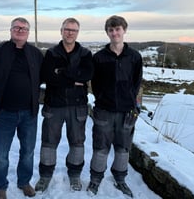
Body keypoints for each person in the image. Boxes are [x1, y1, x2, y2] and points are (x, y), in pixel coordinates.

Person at [0, 17, 43, 199]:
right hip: (3, 112)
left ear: (28, 32)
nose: (20, 30)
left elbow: (42, 76)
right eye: (17, 27)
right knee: (1, 155)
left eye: (24, 28)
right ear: (11, 30)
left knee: (28, 152)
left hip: (29, 113)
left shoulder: (35, 53)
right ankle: (1, 186)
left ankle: (24, 182)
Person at [35, 17, 93, 193]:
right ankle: (45, 176)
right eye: (67, 29)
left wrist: (61, 72)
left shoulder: (85, 54)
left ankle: (74, 175)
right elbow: (47, 76)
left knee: (77, 143)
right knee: (48, 143)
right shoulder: (52, 53)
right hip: (54, 105)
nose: (70, 33)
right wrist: (70, 80)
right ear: (61, 31)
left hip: (78, 106)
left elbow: (87, 74)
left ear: (77, 33)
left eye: (73, 30)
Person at [87, 15, 143, 197]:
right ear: (107, 33)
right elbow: (94, 84)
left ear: (124, 30)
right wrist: (102, 98)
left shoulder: (134, 57)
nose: (114, 33)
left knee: (123, 148)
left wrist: (133, 104)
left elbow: (137, 82)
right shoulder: (99, 57)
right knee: (101, 147)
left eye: (118, 29)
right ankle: (95, 179)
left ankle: (120, 179)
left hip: (127, 111)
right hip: (104, 110)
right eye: (111, 30)